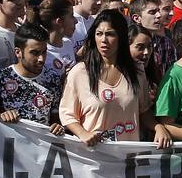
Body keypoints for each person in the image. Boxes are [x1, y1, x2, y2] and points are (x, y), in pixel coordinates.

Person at [62, 9, 161, 146]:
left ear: (121, 37)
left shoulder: (137, 70)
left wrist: (158, 127)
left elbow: (143, 110)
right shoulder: (80, 72)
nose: (103, 40)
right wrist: (82, 133)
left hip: (127, 158)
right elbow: (67, 114)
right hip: (93, 157)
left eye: (110, 34)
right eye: (99, 34)